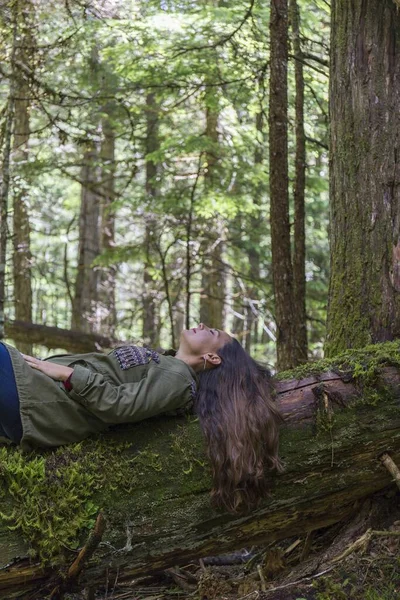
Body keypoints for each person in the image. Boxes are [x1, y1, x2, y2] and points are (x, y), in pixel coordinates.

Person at [0, 323, 282, 513]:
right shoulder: (166, 365)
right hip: (30, 394)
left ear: (213, 356)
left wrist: (69, 374)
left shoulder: (179, 379)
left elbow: (121, 406)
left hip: (33, 398)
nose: (203, 325)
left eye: (214, 332)